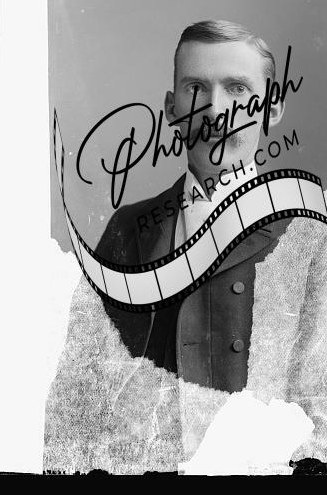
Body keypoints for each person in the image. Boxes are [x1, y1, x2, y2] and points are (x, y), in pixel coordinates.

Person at [96, 20, 290, 393]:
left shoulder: (307, 235)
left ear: (272, 108)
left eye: (237, 88)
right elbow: (89, 379)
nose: (215, 111)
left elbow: (326, 403)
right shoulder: (128, 227)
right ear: (172, 109)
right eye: (196, 88)